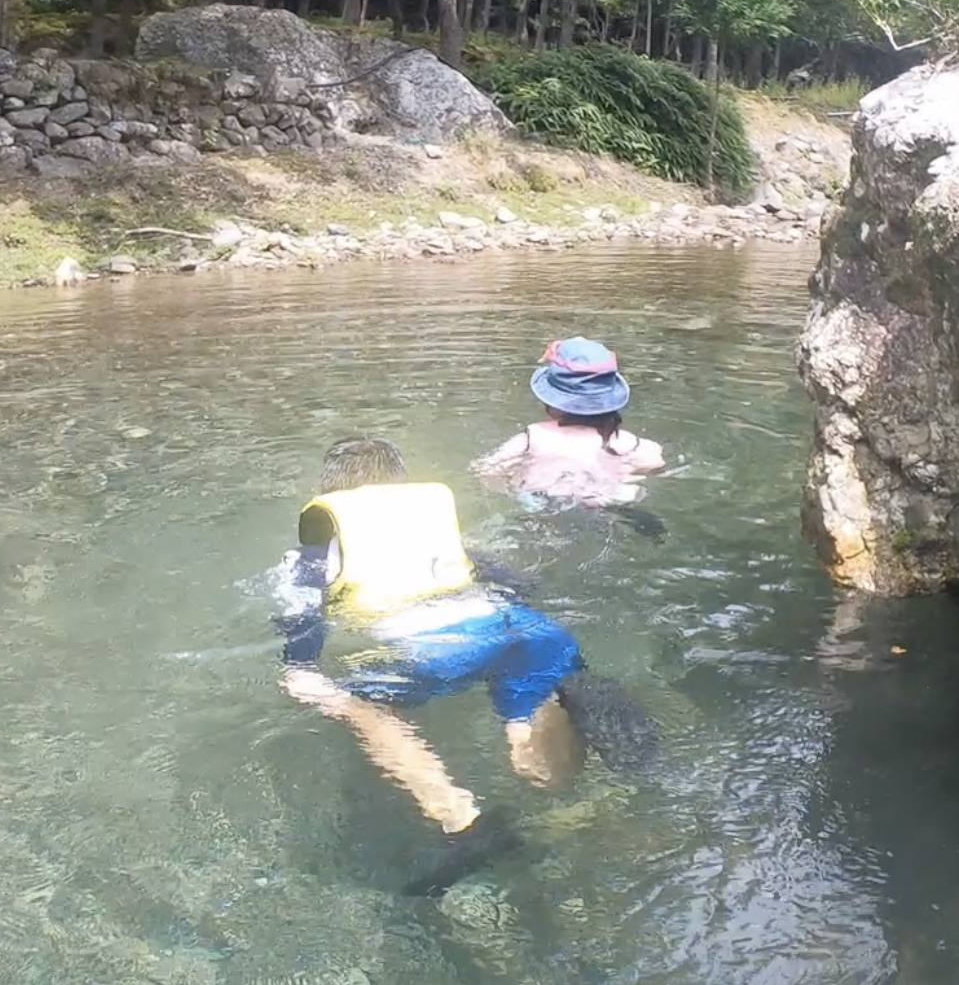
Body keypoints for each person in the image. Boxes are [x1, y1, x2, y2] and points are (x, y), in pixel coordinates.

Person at [273, 437, 592, 894]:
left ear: (331, 493)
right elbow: (516, 582)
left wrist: (299, 665)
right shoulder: (442, 536)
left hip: (439, 649)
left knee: (359, 705)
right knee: (533, 754)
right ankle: (569, 813)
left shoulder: (318, 550)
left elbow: (303, 608)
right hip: (527, 630)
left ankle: (465, 822)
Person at [473, 337, 667, 511]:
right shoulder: (626, 442)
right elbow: (655, 463)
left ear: (550, 399)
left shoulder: (533, 436)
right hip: (604, 499)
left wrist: (512, 485)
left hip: (543, 499)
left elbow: (486, 470)